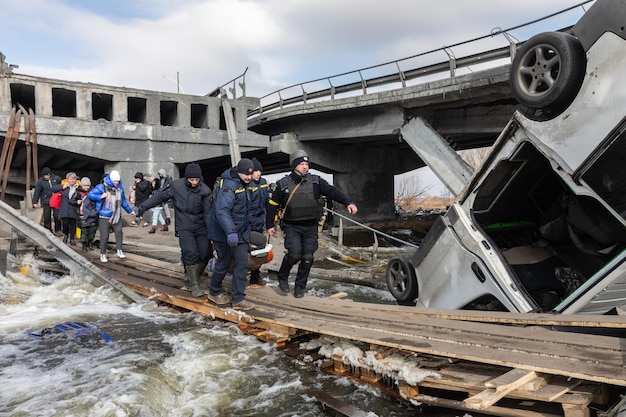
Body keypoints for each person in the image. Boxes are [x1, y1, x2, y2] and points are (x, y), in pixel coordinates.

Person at [266, 150, 358, 298]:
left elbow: (332, 191)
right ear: (294, 165)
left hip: (310, 226)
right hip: (292, 226)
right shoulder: (282, 184)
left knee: (308, 257)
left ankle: (299, 286)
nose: (304, 167)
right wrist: (269, 225)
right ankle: (282, 277)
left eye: (306, 164)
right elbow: (272, 205)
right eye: (301, 164)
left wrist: (348, 202)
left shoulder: (316, 181)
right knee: (294, 254)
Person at [138, 163, 212, 297]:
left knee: (206, 252)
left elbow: (208, 213)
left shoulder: (205, 191)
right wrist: (143, 207)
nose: (195, 182)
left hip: (200, 224)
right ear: (186, 178)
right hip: (184, 225)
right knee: (190, 253)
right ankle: (194, 284)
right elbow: (160, 197)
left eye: (197, 180)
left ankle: (193, 274)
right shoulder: (176, 186)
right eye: (191, 180)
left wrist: (211, 232)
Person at [207, 158, 255, 310]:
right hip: (223, 232)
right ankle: (214, 292)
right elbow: (222, 211)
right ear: (238, 172)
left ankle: (238, 299)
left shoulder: (246, 185)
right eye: (245, 174)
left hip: (240, 231)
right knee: (224, 262)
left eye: (250, 174)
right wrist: (230, 231)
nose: (248, 177)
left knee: (242, 264)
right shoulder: (228, 185)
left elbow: (246, 211)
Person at [88, 170, 135, 263]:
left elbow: (123, 202)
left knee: (119, 233)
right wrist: (101, 196)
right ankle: (103, 254)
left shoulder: (119, 189)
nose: (116, 183)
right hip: (104, 216)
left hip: (117, 215)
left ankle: (119, 250)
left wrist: (130, 211)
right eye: (114, 181)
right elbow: (90, 195)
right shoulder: (102, 187)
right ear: (110, 179)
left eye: (117, 181)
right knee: (104, 236)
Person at [247, 157, 270, 286]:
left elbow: (267, 202)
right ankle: (241, 273)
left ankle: (255, 276)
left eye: (260, 171)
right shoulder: (247, 184)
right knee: (246, 250)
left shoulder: (263, 183)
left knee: (260, 251)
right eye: (256, 171)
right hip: (248, 222)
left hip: (259, 222)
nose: (258, 174)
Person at [51, 172, 81, 245]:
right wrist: (62, 187)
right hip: (64, 207)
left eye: (73, 179)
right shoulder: (64, 186)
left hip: (74, 208)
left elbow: (84, 192)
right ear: (67, 180)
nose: (72, 181)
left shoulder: (78, 187)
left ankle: (72, 239)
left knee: (73, 224)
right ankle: (66, 234)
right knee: (65, 223)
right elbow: (53, 189)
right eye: (70, 179)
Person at [32, 167, 62, 235]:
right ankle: (48, 230)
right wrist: (34, 202)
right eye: (45, 175)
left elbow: (61, 187)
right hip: (46, 201)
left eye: (47, 175)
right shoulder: (40, 181)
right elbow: (37, 192)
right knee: (46, 217)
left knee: (57, 216)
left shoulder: (56, 179)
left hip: (56, 200)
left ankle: (58, 229)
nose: (46, 177)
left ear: (50, 174)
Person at [76, 177, 98, 252]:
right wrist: (77, 202)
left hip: (93, 215)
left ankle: (90, 243)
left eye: (87, 185)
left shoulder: (94, 192)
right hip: (83, 215)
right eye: (84, 186)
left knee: (92, 231)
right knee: (84, 232)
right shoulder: (78, 193)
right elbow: (71, 201)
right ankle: (84, 245)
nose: (86, 187)